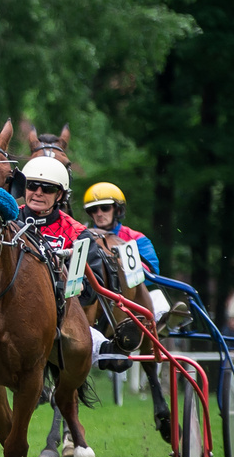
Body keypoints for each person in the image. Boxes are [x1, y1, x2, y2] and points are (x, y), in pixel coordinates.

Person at [17, 156, 128, 370]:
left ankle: (98, 346)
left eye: (47, 188)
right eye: (32, 185)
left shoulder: (78, 234)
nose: (38, 192)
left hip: (58, 311)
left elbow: (89, 292)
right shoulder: (7, 221)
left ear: (59, 195)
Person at [80, 181, 171, 325]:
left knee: (158, 301)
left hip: (135, 297)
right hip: (99, 300)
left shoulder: (136, 238)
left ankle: (161, 323)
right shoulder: (83, 236)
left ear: (117, 210)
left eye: (105, 208)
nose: (99, 214)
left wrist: (121, 268)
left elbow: (151, 271)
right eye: (93, 210)